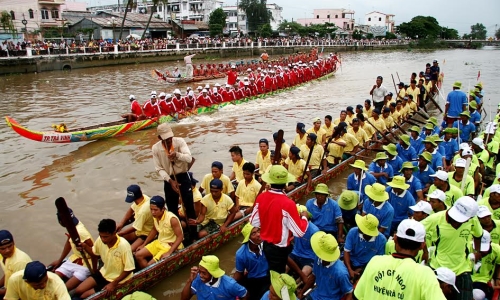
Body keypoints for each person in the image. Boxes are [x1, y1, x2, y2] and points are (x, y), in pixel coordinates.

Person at [354, 219, 446, 300]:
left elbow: (358, 295)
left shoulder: (375, 262)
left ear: (395, 239)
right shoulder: (425, 274)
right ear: (422, 245)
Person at [249, 165, 309, 273]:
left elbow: (254, 221)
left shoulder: (261, 197)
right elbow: (299, 232)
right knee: (278, 275)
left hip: (265, 245)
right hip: (279, 248)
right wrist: (304, 216)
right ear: (285, 183)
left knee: (272, 270)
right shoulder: (288, 203)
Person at [421, 196, 482, 300]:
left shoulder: (473, 221)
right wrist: (425, 251)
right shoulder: (436, 218)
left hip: (462, 268)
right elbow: (418, 230)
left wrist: (478, 252)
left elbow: (478, 235)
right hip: (438, 266)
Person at [152, 123, 197, 241]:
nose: (169, 141)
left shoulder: (180, 142)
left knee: (188, 206)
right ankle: (178, 236)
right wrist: (170, 181)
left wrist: (177, 154)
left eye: (170, 138)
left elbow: (188, 158)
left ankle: (193, 235)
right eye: (165, 139)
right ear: (160, 138)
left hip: (183, 177)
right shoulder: (156, 148)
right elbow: (159, 169)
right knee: (172, 209)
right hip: (169, 180)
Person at [73, 219, 135, 298]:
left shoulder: (124, 246)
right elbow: (94, 253)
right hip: (104, 272)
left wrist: (113, 284)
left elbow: (129, 269)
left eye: (106, 237)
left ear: (114, 233)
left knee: (84, 296)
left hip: (116, 279)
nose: (103, 239)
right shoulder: (100, 240)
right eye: (101, 236)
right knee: (78, 290)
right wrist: (85, 246)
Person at [49, 208, 95, 291]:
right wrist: (60, 260)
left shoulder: (80, 232)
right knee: (53, 280)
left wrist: (94, 271)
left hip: (87, 264)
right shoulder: (72, 227)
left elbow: (94, 253)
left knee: (65, 288)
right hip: (74, 259)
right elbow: (69, 243)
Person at [299, 232, 353, 300]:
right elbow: (313, 276)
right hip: (315, 295)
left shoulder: (341, 273)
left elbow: (349, 292)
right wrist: (301, 293)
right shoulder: (318, 258)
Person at [134, 196, 184, 269]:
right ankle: (148, 276)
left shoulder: (172, 219)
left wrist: (169, 252)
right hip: (159, 242)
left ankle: (148, 274)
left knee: (149, 266)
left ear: (163, 209)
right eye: (151, 209)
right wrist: (144, 244)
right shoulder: (155, 216)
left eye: (155, 210)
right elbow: (154, 230)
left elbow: (180, 237)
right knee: (138, 255)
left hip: (169, 245)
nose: (153, 212)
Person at [181, 255, 248, 300]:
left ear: (213, 273)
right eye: (199, 272)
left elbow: (245, 294)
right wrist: (190, 281)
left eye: (204, 273)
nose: (200, 275)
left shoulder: (230, 284)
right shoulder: (197, 279)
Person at [344, 214, 387, 281]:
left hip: (367, 267)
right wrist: (350, 270)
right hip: (349, 262)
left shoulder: (381, 240)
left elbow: (377, 261)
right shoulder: (353, 232)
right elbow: (346, 252)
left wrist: (363, 269)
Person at [233, 223, 269, 300]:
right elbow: (239, 273)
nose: (259, 234)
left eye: (258, 231)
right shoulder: (241, 254)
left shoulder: (268, 243)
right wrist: (230, 284)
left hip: (269, 275)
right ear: (248, 238)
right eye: (254, 233)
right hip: (253, 279)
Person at [116, 185, 153, 252]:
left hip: (145, 233)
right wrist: (121, 223)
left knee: (129, 251)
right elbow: (131, 209)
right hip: (138, 231)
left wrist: (121, 233)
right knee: (117, 234)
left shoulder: (143, 211)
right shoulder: (143, 197)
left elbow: (135, 227)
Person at [5, 261, 70, 300]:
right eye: (38, 284)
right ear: (27, 281)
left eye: (45, 281)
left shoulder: (57, 282)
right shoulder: (15, 280)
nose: (43, 285)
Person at [0, 230, 31, 298]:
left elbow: (18, 289)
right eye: (3, 248)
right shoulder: (2, 256)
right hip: (10, 287)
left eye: (10, 246)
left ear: (14, 243)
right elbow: (7, 273)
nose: (7, 250)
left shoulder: (19, 262)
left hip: (24, 294)